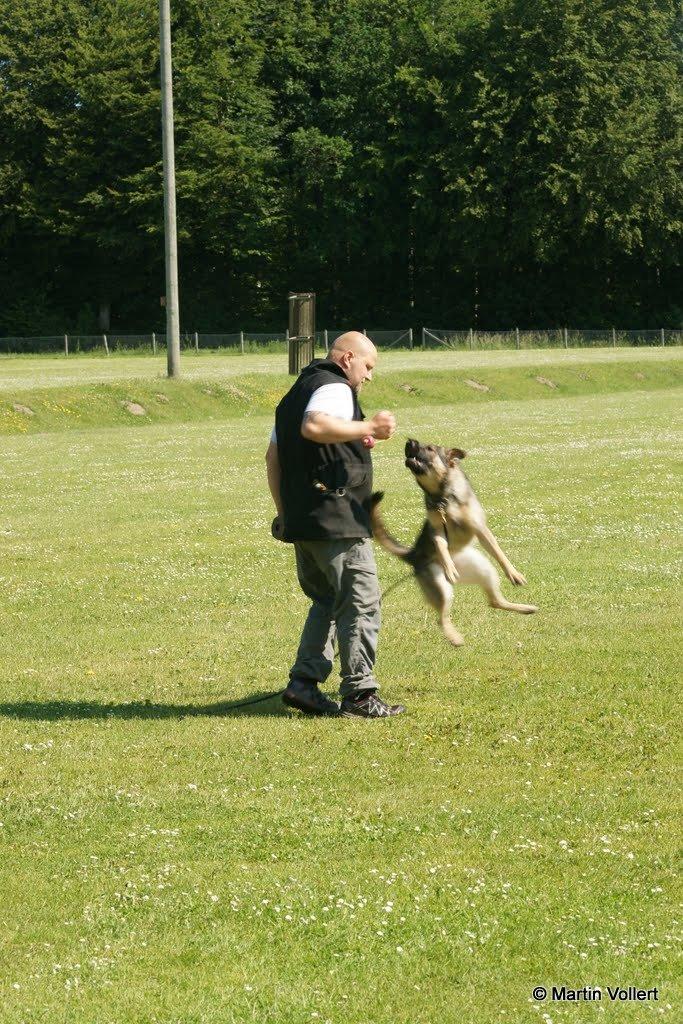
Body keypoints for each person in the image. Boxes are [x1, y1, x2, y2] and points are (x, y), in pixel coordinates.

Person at [265, 332, 406, 718]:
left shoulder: (293, 395)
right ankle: (360, 694)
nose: (369, 377)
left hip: (304, 520)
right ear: (347, 358)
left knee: (327, 601)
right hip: (337, 521)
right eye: (368, 367)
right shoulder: (335, 387)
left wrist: (285, 514)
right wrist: (369, 427)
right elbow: (315, 426)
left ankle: (304, 685)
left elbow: (273, 458)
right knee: (360, 602)